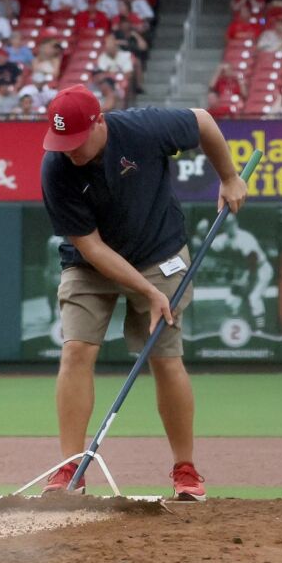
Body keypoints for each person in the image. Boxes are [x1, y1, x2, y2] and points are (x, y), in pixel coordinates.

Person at [37, 87, 245, 500]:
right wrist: (149, 293)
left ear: (100, 122)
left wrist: (229, 176)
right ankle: (69, 471)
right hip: (91, 263)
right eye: (63, 143)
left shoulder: (143, 128)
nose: (71, 151)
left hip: (158, 251)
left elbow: (203, 120)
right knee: (76, 350)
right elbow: (91, 247)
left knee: (165, 358)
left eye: (78, 140)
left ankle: (185, 470)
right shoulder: (56, 168)